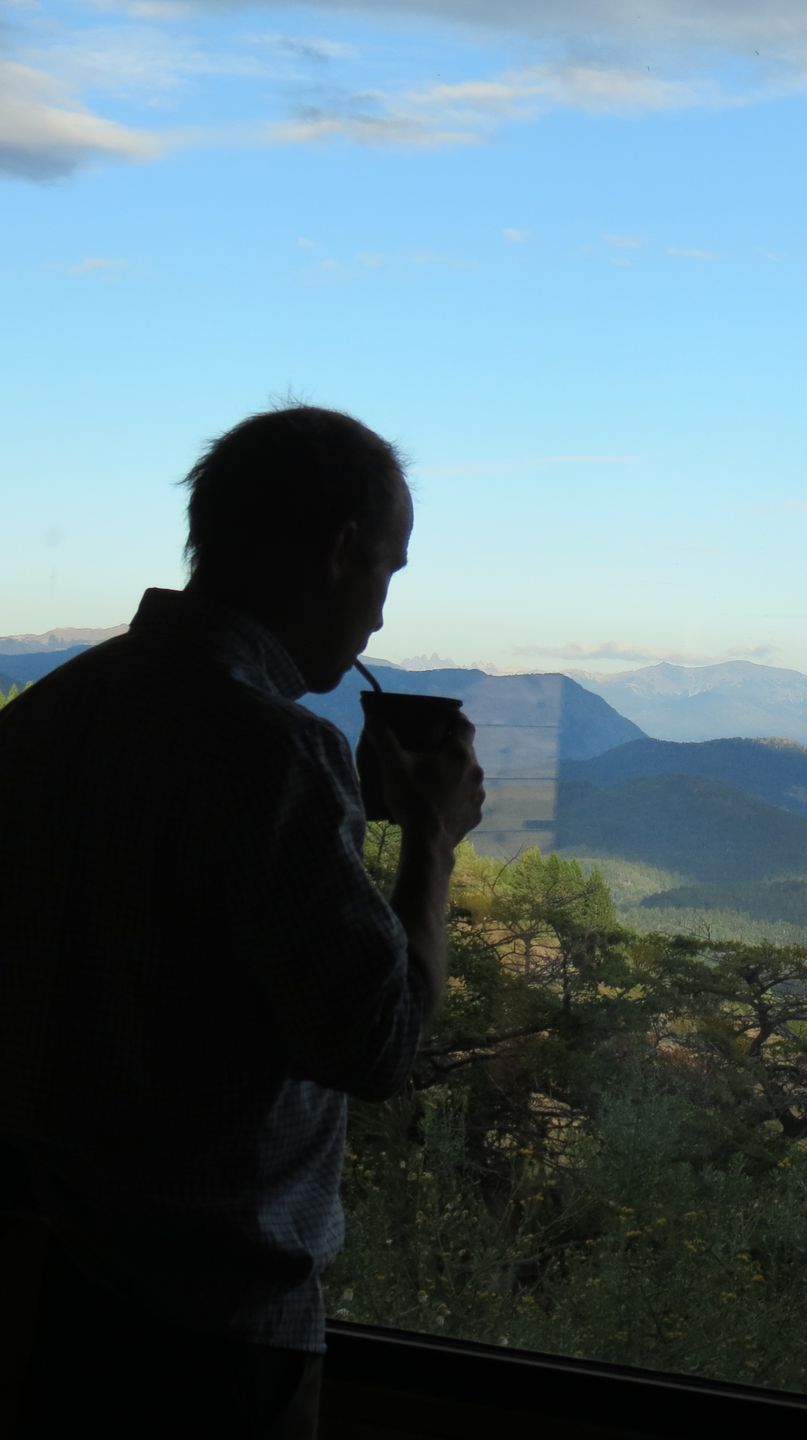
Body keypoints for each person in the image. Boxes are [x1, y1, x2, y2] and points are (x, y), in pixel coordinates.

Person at [0, 405, 485, 1436]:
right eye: (387, 575)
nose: (381, 620)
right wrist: (431, 842)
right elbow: (377, 1042)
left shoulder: (50, 715)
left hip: (62, 1274)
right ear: (341, 550)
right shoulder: (275, 754)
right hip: (216, 1323)